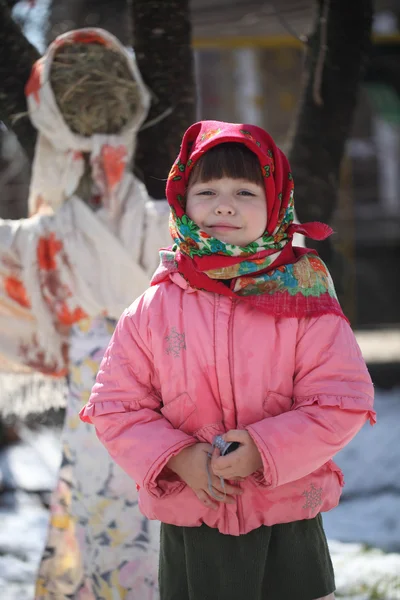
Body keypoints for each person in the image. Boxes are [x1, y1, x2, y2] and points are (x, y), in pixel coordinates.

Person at [80, 120, 376, 600]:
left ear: (276, 202)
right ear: (182, 200)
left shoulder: (306, 299)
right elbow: (116, 406)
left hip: (287, 515)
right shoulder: (153, 310)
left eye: (245, 191)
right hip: (194, 515)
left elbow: (341, 400)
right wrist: (176, 457)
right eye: (208, 190)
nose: (224, 204)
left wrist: (265, 449)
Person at [0, 28, 169, 599]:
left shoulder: (158, 220)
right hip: (97, 400)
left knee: (165, 513)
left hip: (165, 387)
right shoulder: (58, 232)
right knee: (107, 513)